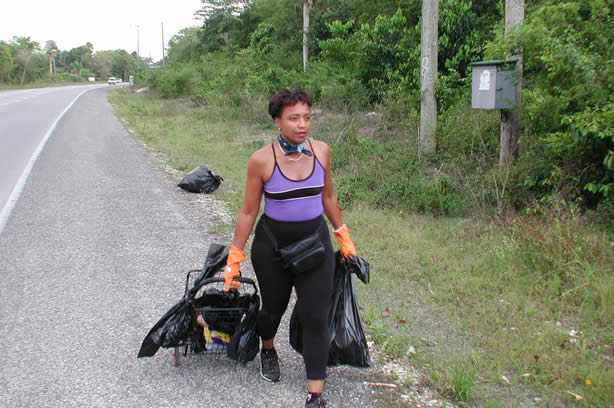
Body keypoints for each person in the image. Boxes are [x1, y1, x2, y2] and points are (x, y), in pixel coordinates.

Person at [223, 88, 358, 408]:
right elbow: (248, 211)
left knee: (315, 317)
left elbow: (328, 198)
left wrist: (343, 237)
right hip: (273, 248)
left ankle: (315, 395)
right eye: (293, 118)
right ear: (277, 121)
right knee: (273, 310)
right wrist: (234, 257)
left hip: (315, 245)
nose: (302, 124)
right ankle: (268, 347)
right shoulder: (261, 160)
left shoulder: (322, 151)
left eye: (307, 117)